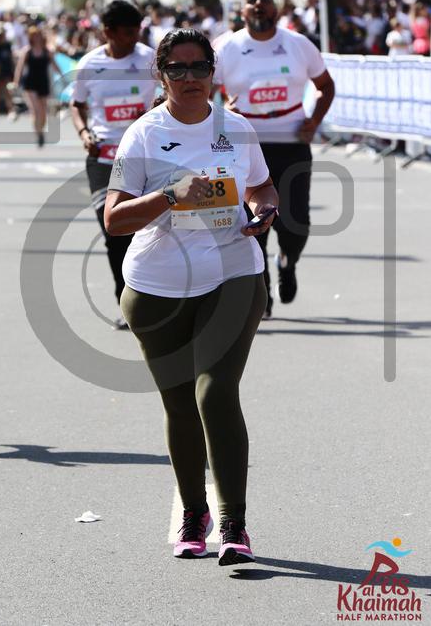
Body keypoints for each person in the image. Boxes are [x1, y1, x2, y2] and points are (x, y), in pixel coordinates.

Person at [104, 28, 278, 565]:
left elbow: (261, 187)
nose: (189, 78)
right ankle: (193, 512)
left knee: (215, 393)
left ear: (212, 73)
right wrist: (169, 194)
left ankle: (234, 522)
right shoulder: (142, 135)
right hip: (157, 285)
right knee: (179, 404)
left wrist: (264, 212)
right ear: (161, 76)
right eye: (176, 69)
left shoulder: (237, 128)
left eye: (199, 67)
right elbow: (114, 219)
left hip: (233, 272)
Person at [213, 0, 335, 318]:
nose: (258, 5)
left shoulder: (298, 44)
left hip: (291, 144)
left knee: (297, 224)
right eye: (251, 1)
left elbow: (326, 86)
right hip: (244, 145)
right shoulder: (225, 47)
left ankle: (287, 261)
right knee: (253, 222)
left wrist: (314, 121)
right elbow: (203, 91)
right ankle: (263, 292)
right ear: (242, 11)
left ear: (275, 9)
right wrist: (222, 111)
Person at [70, 0, 156, 329]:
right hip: (103, 158)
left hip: (144, 157)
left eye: (138, 32)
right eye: (128, 33)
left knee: (146, 231)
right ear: (108, 32)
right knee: (114, 232)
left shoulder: (149, 59)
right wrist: (84, 133)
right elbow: (77, 105)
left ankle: (152, 297)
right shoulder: (90, 64)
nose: (135, 39)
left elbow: (170, 93)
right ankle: (126, 299)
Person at [13, 26, 63, 147]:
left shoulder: (47, 51)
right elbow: (19, 68)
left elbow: (55, 66)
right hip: (30, 83)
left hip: (43, 83)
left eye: (38, 35)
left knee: (43, 112)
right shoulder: (27, 51)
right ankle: (39, 133)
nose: (37, 38)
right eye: (34, 36)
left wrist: (63, 77)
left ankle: (40, 129)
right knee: (36, 110)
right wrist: (16, 82)